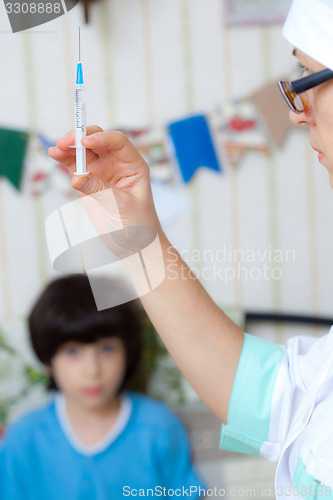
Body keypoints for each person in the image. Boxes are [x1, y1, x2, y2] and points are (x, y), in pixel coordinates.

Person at [47, 0, 333, 497]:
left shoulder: (154, 432)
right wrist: (137, 232)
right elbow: (275, 401)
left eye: (306, 79)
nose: (298, 115)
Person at [0, 274, 205, 500]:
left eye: (107, 349)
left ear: (128, 352)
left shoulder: (160, 428)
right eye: (73, 352)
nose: (92, 370)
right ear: (48, 361)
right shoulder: (23, 439)